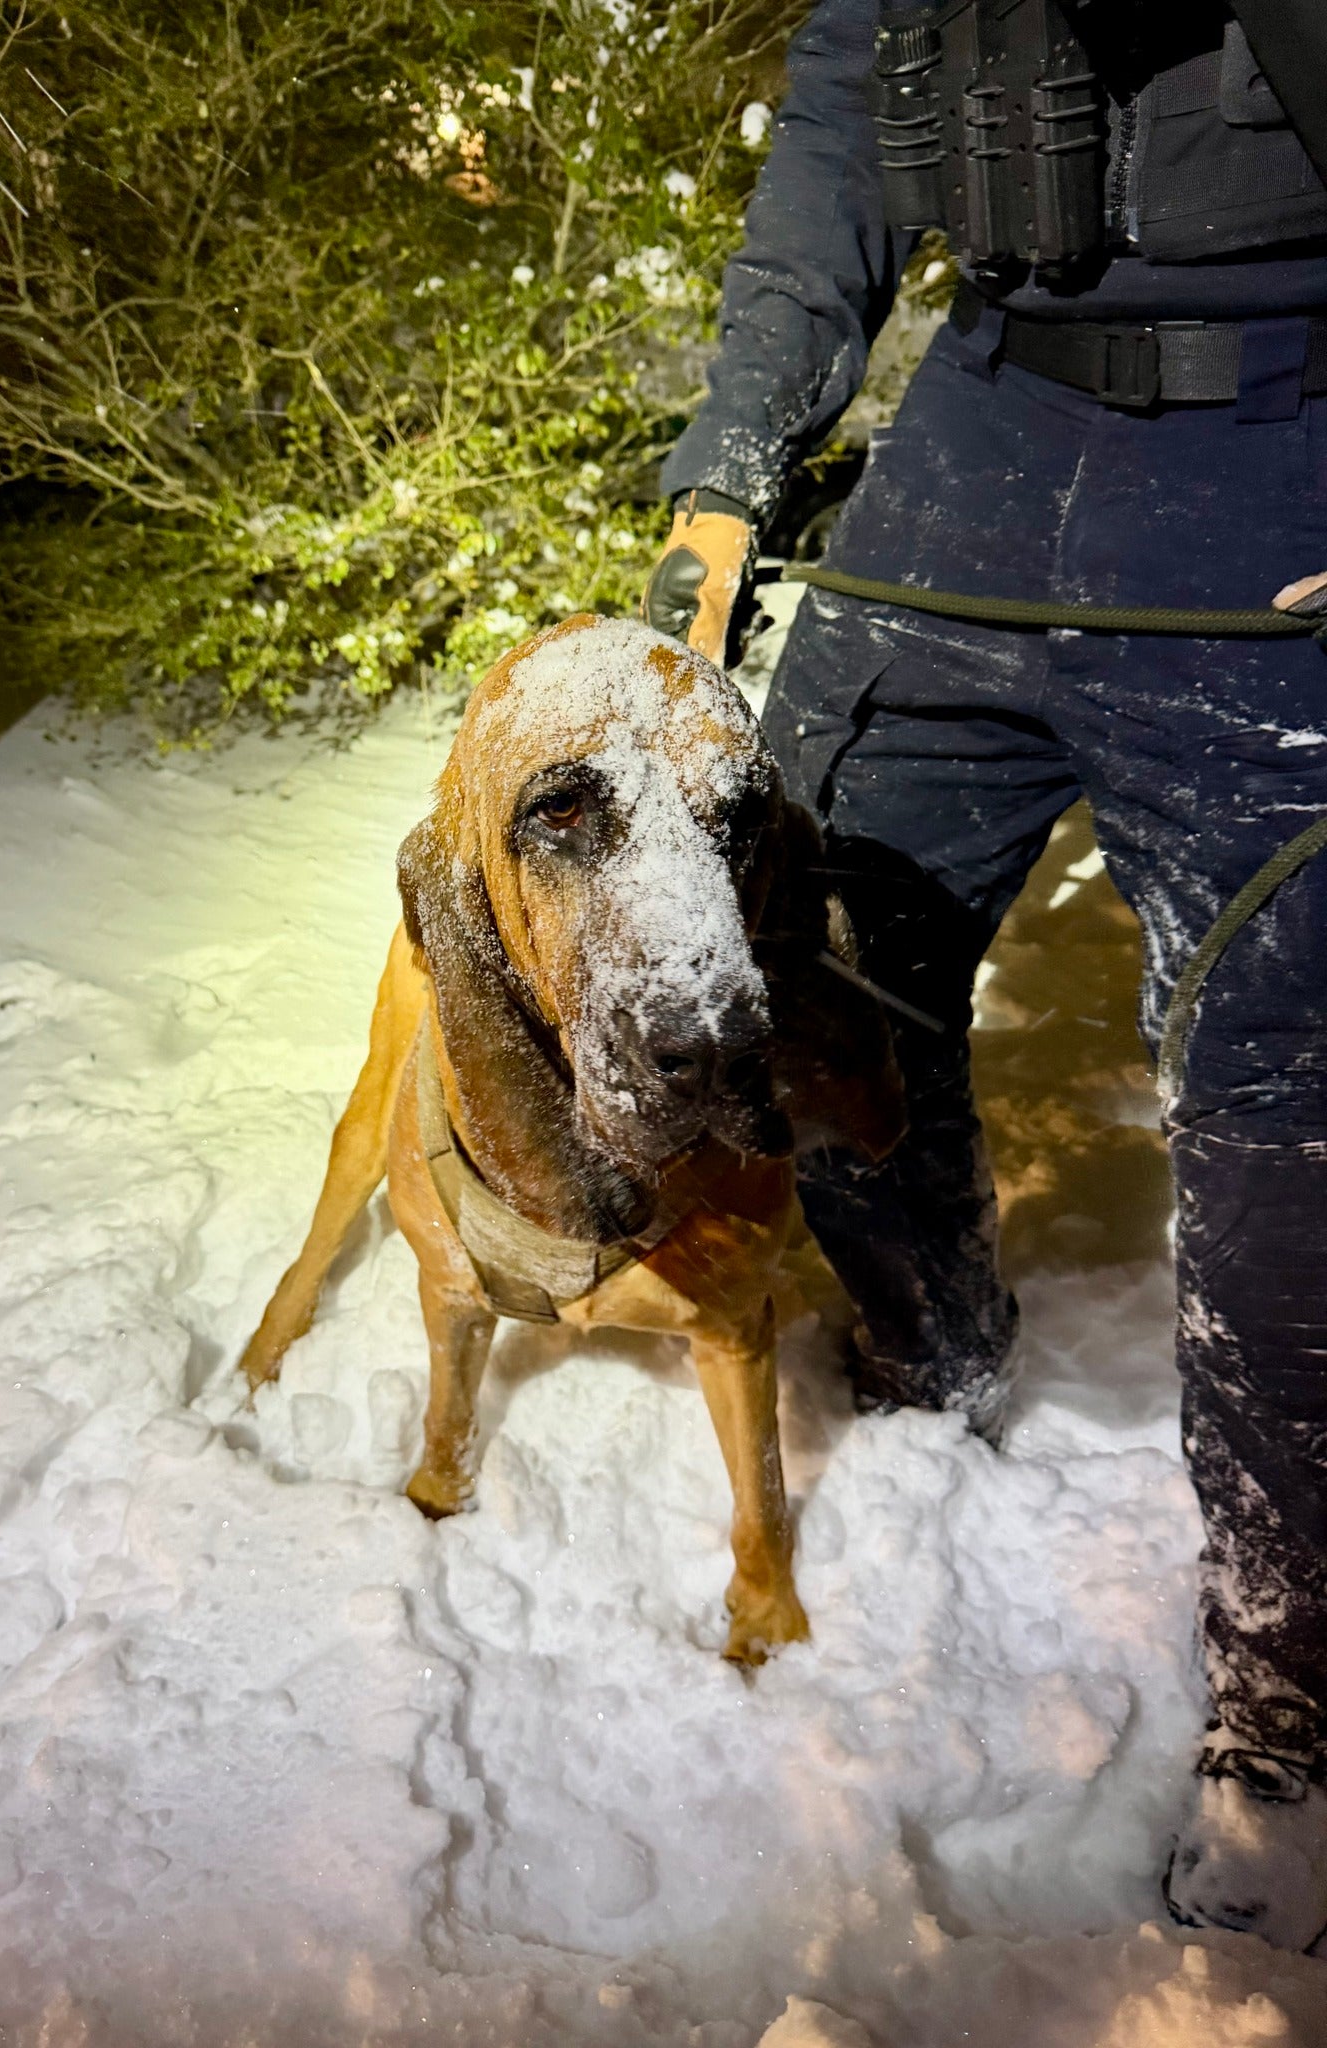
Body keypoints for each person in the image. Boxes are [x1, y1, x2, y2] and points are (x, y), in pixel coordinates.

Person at [645, 0, 1327, 1950]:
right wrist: (731, 468)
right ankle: (921, 1343)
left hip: (1286, 454)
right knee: (810, 951)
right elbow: (856, 94)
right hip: (988, 422)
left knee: (1295, 1125)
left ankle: (1292, 1710)